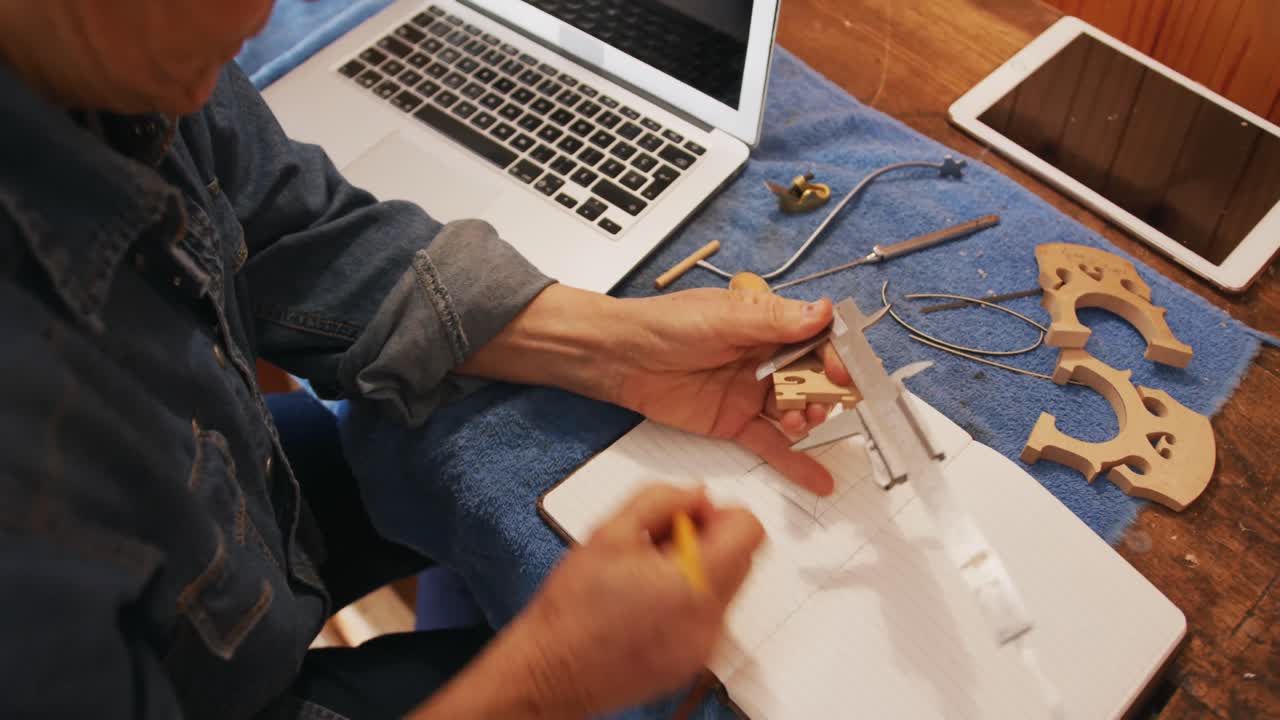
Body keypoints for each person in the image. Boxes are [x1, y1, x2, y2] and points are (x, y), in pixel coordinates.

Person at [0, 2, 848, 718]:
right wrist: (550, 680)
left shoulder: (116, 54)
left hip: (220, 516)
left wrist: (624, 345)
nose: (261, 13)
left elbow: (290, 229)